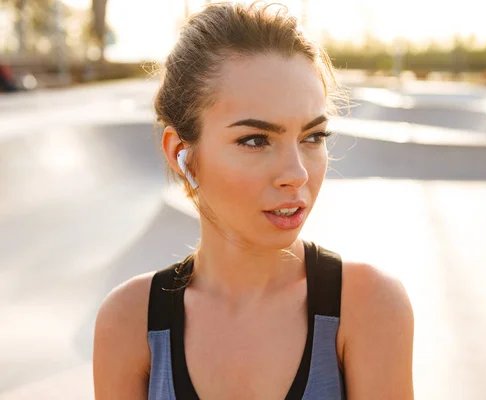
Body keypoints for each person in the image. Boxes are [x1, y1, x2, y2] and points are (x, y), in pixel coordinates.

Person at [93, 2, 414, 399]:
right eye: (255, 140)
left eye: (313, 137)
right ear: (181, 152)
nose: (296, 173)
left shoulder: (367, 306)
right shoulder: (129, 323)